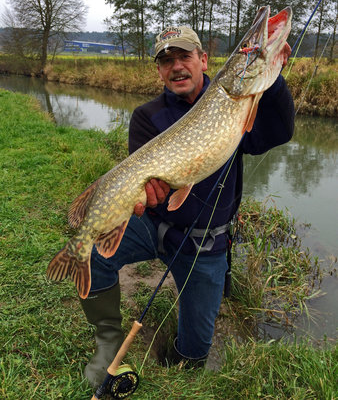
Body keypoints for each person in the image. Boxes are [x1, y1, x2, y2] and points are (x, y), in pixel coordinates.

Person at [79, 26, 295, 387]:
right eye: (166, 61)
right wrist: (152, 194)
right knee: (89, 253)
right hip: (153, 225)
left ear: (204, 60)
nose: (176, 66)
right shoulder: (147, 116)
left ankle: (180, 359)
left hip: (203, 244)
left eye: (184, 57)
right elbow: (148, 189)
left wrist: (271, 80)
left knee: (194, 354)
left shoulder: (235, 103)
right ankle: (107, 343)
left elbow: (279, 131)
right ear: (159, 71)